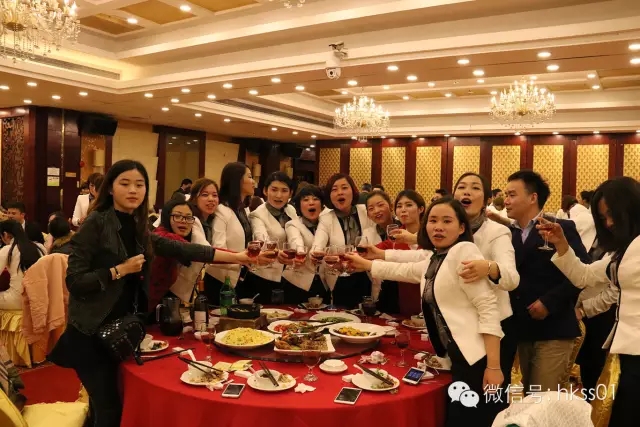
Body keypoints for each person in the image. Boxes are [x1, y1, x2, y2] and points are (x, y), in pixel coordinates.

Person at [47, 160, 250, 427]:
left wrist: (241, 257)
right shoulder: (96, 222)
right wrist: (118, 270)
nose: (133, 190)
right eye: (125, 183)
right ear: (110, 188)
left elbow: (181, 248)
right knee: (109, 410)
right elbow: (74, 281)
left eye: (139, 185)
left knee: (103, 406)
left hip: (118, 331)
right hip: (90, 332)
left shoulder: (137, 223)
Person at [346, 198, 504, 427]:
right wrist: (369, 265)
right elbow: (408, 270)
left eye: (447, 221)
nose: (438, 227)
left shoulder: (464, 251)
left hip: (475, 357)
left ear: (461, 227)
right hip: (455, 354)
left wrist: (494, 366)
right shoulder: (438, 256)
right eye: (433, 220)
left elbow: (488, 309)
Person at [540, 176, 640, 426]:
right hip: (624, 349)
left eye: (612, 215)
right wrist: (561, 243)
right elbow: (583, 275)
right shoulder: (623, 252)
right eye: (603, 218)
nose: (609, 223)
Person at [504, 170, 590, 393]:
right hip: (522, 327)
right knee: (528, 392)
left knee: (542, 397)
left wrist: (549, 302)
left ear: (533, 197)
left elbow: (582, 274)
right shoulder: (507, 233)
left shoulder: (560, 228)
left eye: (512, 195)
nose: (506, 201)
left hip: (554, 327)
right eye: (505, 195)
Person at [312, 173, 378, 308]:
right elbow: (318, 242)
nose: (340, 192)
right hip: (339, 276)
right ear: (329, 195)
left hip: (365, 273)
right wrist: (315, 253)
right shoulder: (326, 218)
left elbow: (374, 238)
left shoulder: (365, 211)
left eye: (344, 188)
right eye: (334, 189)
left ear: (353, 191)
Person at [149, 198, 211, 310]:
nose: (183, 221)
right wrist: (238, 257)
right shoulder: (165, 236)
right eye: (177, 216)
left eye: (188, 217)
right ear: (167, 217)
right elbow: (204, 252)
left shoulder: (179, 236)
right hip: (145, 305)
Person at [206, 162, 256, 304]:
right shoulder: (221, 211)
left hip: (239, 278)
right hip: (219, 281)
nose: (254, 182)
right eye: (249, 177)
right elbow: (218, 248)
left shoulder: (243, 210)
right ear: (237, 180)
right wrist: (242, 260)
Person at [246, 171, 298, 304]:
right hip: (265, 275)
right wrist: (278, 252)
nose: (279, 195)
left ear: (290, 193)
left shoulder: (291, 210)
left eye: (284, 190)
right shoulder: (257, 215)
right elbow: (262, 240)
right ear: (265, 190)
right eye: (274, 190)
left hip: (289, 274)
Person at [375, 189, 426, 315]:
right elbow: (373, 250)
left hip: (430, 299)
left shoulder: (431, 235)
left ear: (421, 209)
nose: (403, 210)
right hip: (405, 301)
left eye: (408, 205)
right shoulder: (395, 238)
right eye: (399, 206)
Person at [283, 185, 331, 304]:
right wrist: (299, 252)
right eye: (305, 199)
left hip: (324, 282)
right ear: (299, 205)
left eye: (315, 199)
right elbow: (295, 240)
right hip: (298, 282)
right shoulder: (292, 224)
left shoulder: (328, 223)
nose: (311, 203)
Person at [0, 220, 46, 310]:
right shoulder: (40, 247)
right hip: (39, 299)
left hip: (17, 300)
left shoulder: (8, 249)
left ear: (5, 234)